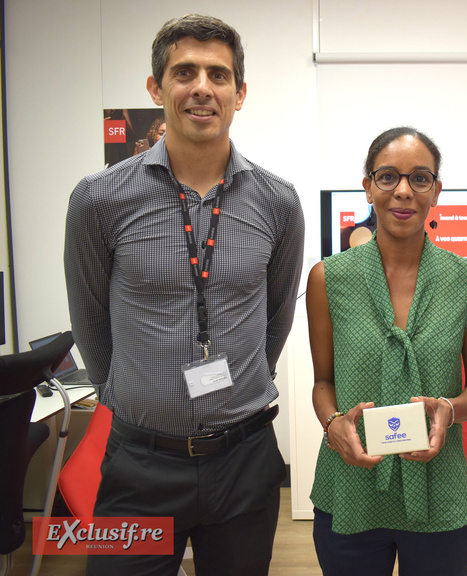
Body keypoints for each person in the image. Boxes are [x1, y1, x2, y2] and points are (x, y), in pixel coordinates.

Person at [63, 14, 304, 576]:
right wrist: (135, 400)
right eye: (184, 72)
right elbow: (90, 319)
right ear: (157, 87)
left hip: (244, 461)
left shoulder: (277, 202)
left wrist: (238, 385)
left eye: (218, 75)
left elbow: (277, 315)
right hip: (140, 465)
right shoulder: (100, 199)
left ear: (239, 94)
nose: (202, 87)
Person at [306, 126, 467, 576]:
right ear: (368, 186)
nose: (404, 191)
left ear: (436, 191)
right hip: (350, 484)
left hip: (439, 485)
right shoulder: (328, 278)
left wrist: (449, 409)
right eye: (388, 176)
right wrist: (332, 423)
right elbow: (323, 382)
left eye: (420, 178)